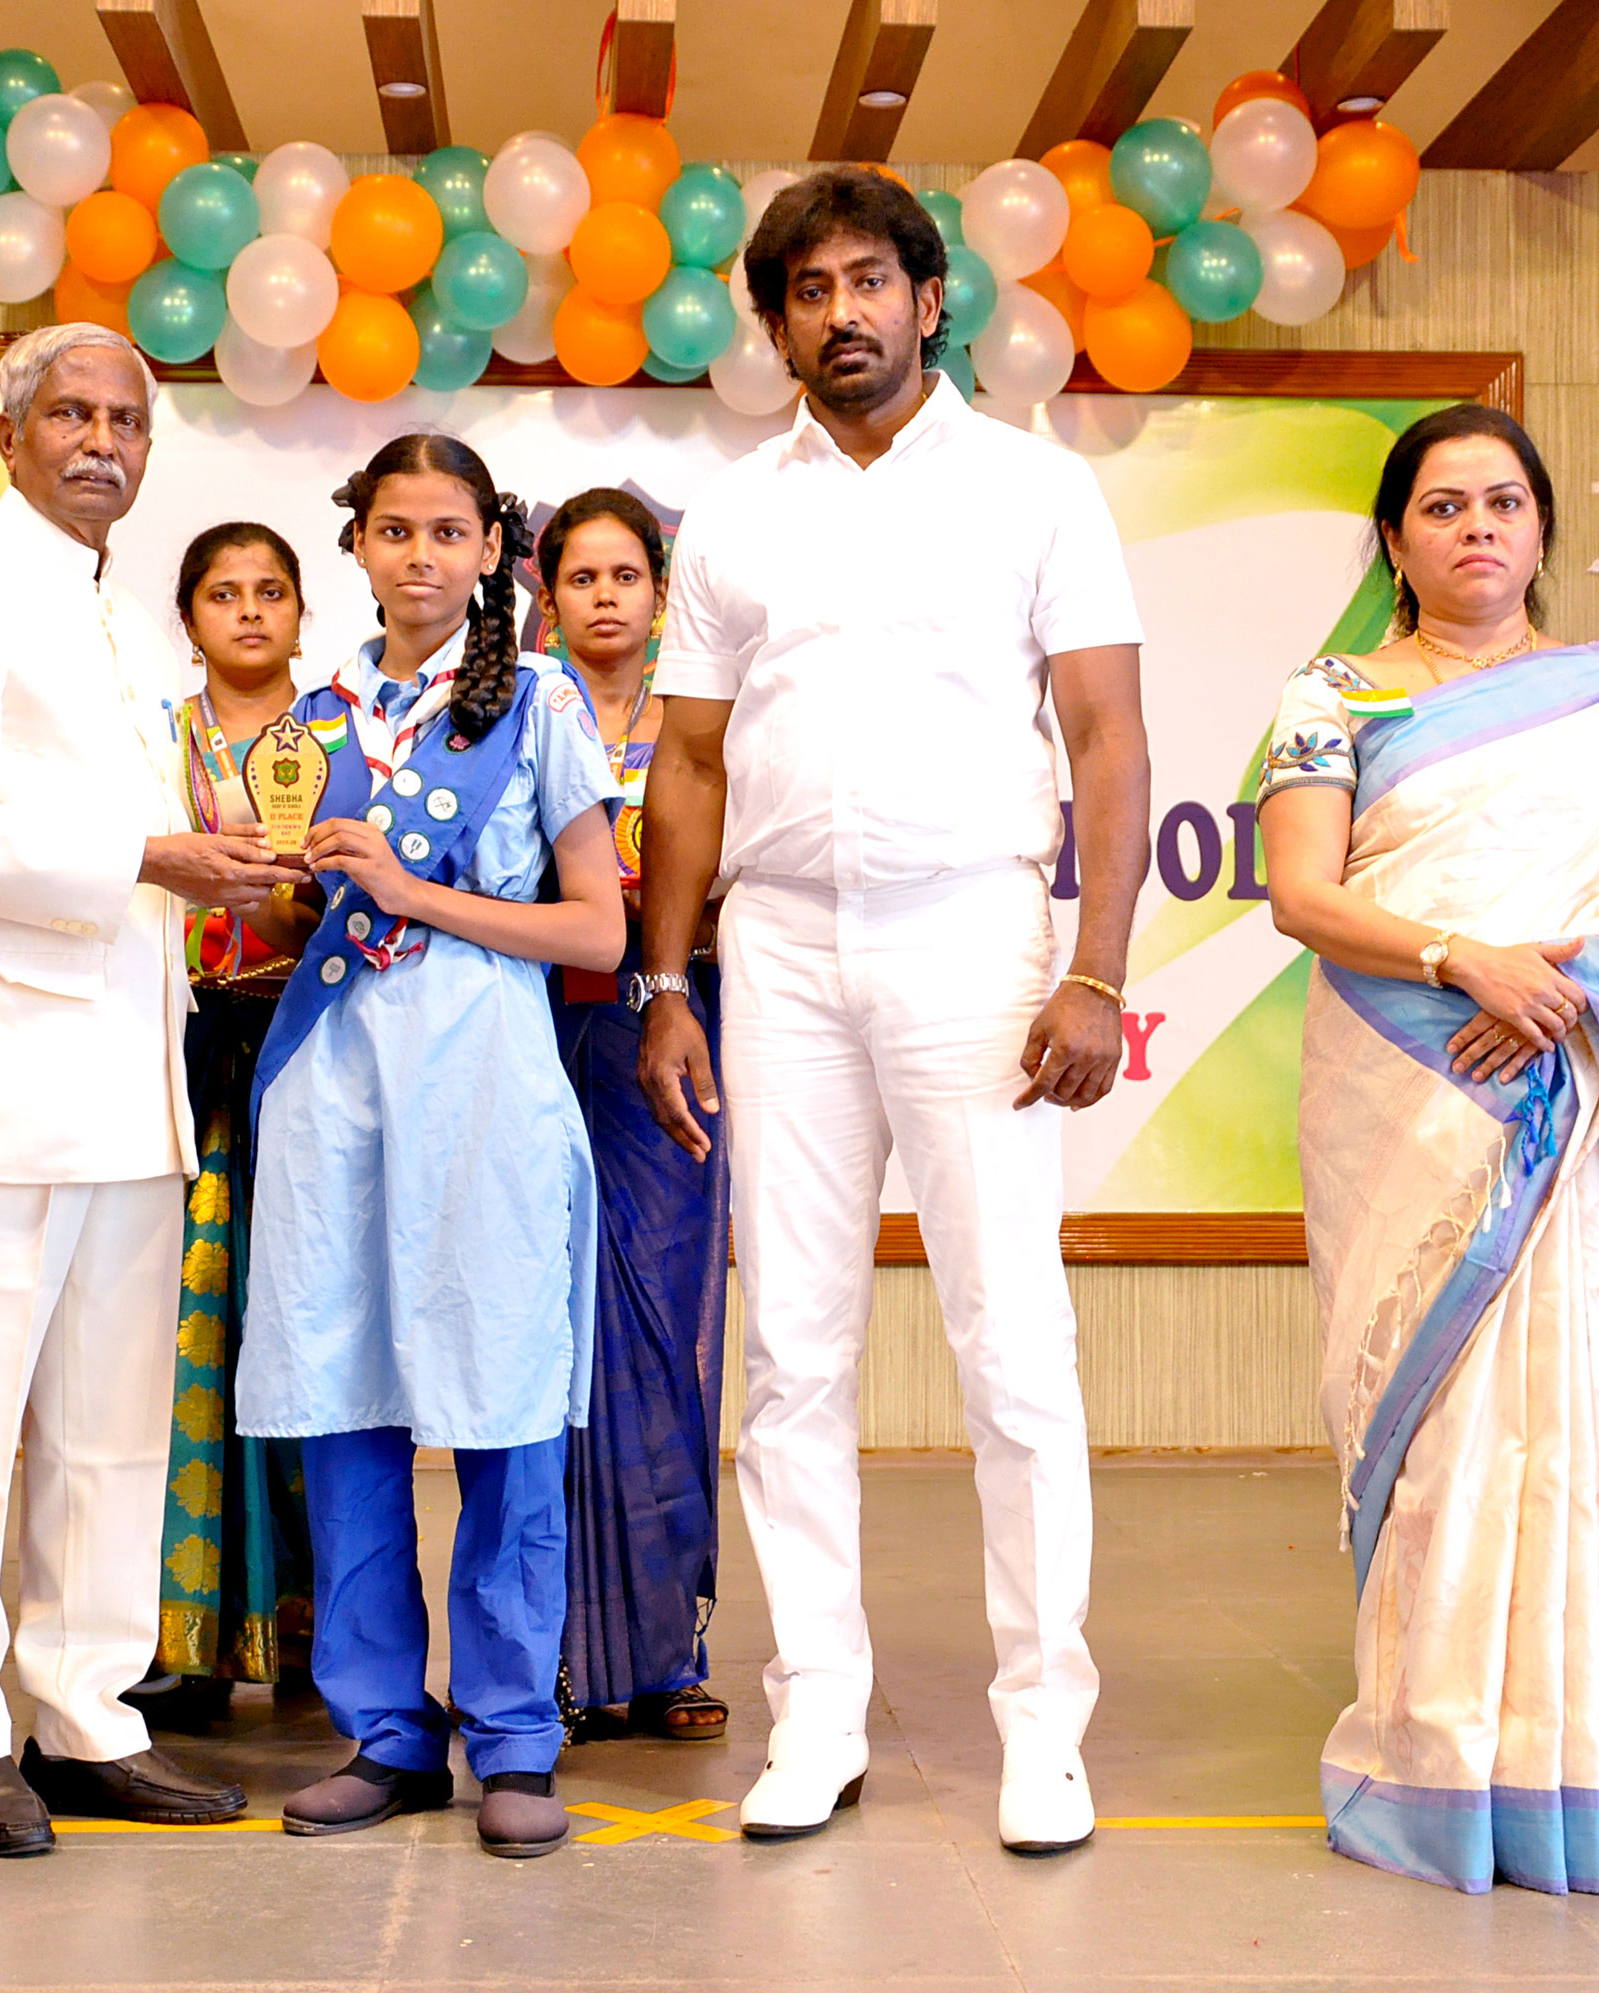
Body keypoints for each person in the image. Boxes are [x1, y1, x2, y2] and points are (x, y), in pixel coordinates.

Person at [635, 167, 1152, 1855]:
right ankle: (818, 1714)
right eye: (809, 289)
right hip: (780, 944)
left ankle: (1043, 1726)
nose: (841, 311)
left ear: (930, 303)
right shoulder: (732, 515)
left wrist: (1096, 966)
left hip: (972, 933)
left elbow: (1108, 739)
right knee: (790, 1349)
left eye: (870, 281)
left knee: (1012, 1343)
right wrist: (667, 979)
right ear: (777, 326)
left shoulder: (1033, 489)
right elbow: (689, 762)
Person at [1257, 403, 1599, 1896]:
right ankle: (1437, 1752)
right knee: (1442, 1416)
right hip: (1409, 1082)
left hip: (1558, 1081)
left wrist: (1560, 993)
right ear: (1394, 541)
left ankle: (1575, 1752)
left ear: (1540, 529)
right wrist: (1468, 962)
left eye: (1504, 502)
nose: (1477, 528)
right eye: (1443, 505)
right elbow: (1302, 894)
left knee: (1569, 1414)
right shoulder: (1331, 695)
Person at [0, 322, 293, 1858]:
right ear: (10, 435)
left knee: (112, 1429)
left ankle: (87, 1714)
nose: (104, 441)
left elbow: (131, 839)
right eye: (72, 414)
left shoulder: (119, 621)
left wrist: (211, 850)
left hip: (127, 1075)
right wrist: (145, 855)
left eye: (128, 420)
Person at [236, 432, 627, 1860]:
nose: (419, 555)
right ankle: (386, 1733)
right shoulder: (316, 716)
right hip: (335, 1082)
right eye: (393, 529)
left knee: (505, 1401)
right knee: (346, 1402)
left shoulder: (539, 700)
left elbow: (597, 930)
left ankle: (515, 1735)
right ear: (355, 544)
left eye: (448, 531)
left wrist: (412, 890)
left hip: (484, 1080)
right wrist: (279, 895)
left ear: (491, 550)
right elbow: (307, 914)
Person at [534, 488, 732, 1745]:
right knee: (544, 1337)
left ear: (660, 594)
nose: (604, 595)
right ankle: (548, 1649)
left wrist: (664, 939)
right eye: (581, 576)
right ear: (545, 593)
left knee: (661, 1328)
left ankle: (665, 1649)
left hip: (673, 1028)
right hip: (535, 1032)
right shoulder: (514, 714)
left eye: (626, 575)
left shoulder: (707, 723)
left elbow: (745, 869)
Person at [139, 522, 321, 1722]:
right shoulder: (153, 740)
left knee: (305, 1322)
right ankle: (183, 1636)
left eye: (270, 591)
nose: (249, 611)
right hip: (184, 1056)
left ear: (302, 611)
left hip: (315, 1051)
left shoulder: (344, 735)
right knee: (186, 1327)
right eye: (223, 593)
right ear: (189, 617)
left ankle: (312, 1626)